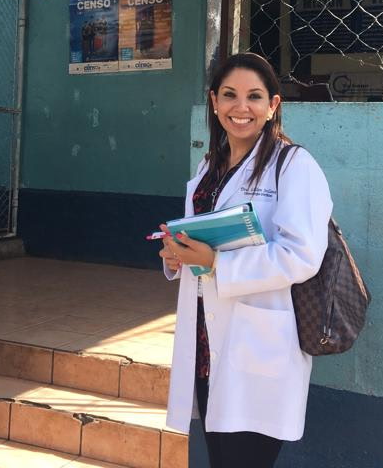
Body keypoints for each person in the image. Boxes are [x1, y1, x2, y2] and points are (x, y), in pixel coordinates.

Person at [158, 52, 332, 467]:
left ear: (273, 105)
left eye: (255, 96)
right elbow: (199, 241)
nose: (242, 108)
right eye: (230, 95)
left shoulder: (293, 166)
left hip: (257, 345)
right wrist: (176, 256)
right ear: (214, 101)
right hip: (206, 343)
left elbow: (302, 255)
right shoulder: (208, 167)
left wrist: (218, 264)